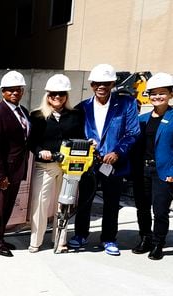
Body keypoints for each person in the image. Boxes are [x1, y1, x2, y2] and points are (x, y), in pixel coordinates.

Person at [69, 64, 141, 255]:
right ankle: (80, 234)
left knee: (111, 202)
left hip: (114, 164)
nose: (101, 87)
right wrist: (85, 145)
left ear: (112, 83)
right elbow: (75, 133)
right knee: (85, 199)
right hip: (89, 163)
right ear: (91, 84)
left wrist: (118, 152)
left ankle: (109, 238)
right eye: (97, 83)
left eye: (106, 83)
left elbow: (132, 132)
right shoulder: (82, 107)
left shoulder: (127, 104)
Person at [130, 72, 173, 260]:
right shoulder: (142, 118)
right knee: (142, 208)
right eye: (153, 93)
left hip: (163, 171)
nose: (157, 97)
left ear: (171, 94)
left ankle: (158, 243)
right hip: (142, 170)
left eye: (162, 93)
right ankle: (145, 238)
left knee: (160, 210)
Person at [27, 74, 85, 252]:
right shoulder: (37, 116)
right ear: (47, 95)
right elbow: (31, 141)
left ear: (66, 96)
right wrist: (40, 151)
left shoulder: (75, 115)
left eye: (61, 94)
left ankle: (60, 240)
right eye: (53, 94)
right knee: (40, 203)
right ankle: (35, 241)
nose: (57, 97)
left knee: (65, 203)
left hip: (68, 166)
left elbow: (80, 137)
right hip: (45, 166)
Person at [0, 70, 32, 257]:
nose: (14, 93)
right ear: (2, 91)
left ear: (22, 91)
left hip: (17, 170)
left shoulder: (23, 112)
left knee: (8, 207)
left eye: (18, 89)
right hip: (3, 173)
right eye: (9, 90)